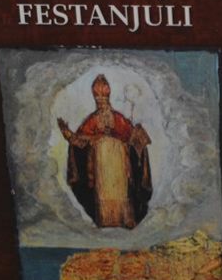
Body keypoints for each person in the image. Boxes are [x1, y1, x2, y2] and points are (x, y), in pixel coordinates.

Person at [57, 74, 153, 229]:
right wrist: (67, 134)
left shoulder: (118, 119)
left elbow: (132, 137)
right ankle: (106, 220)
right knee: (104, 195)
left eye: (103, 101)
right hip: (101, 167)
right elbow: (79, 142)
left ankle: (124, 219)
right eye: (99, 100)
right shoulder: (94, 120)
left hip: (119, 167)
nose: (102, 107)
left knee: (122, 194)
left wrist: (138, 133)